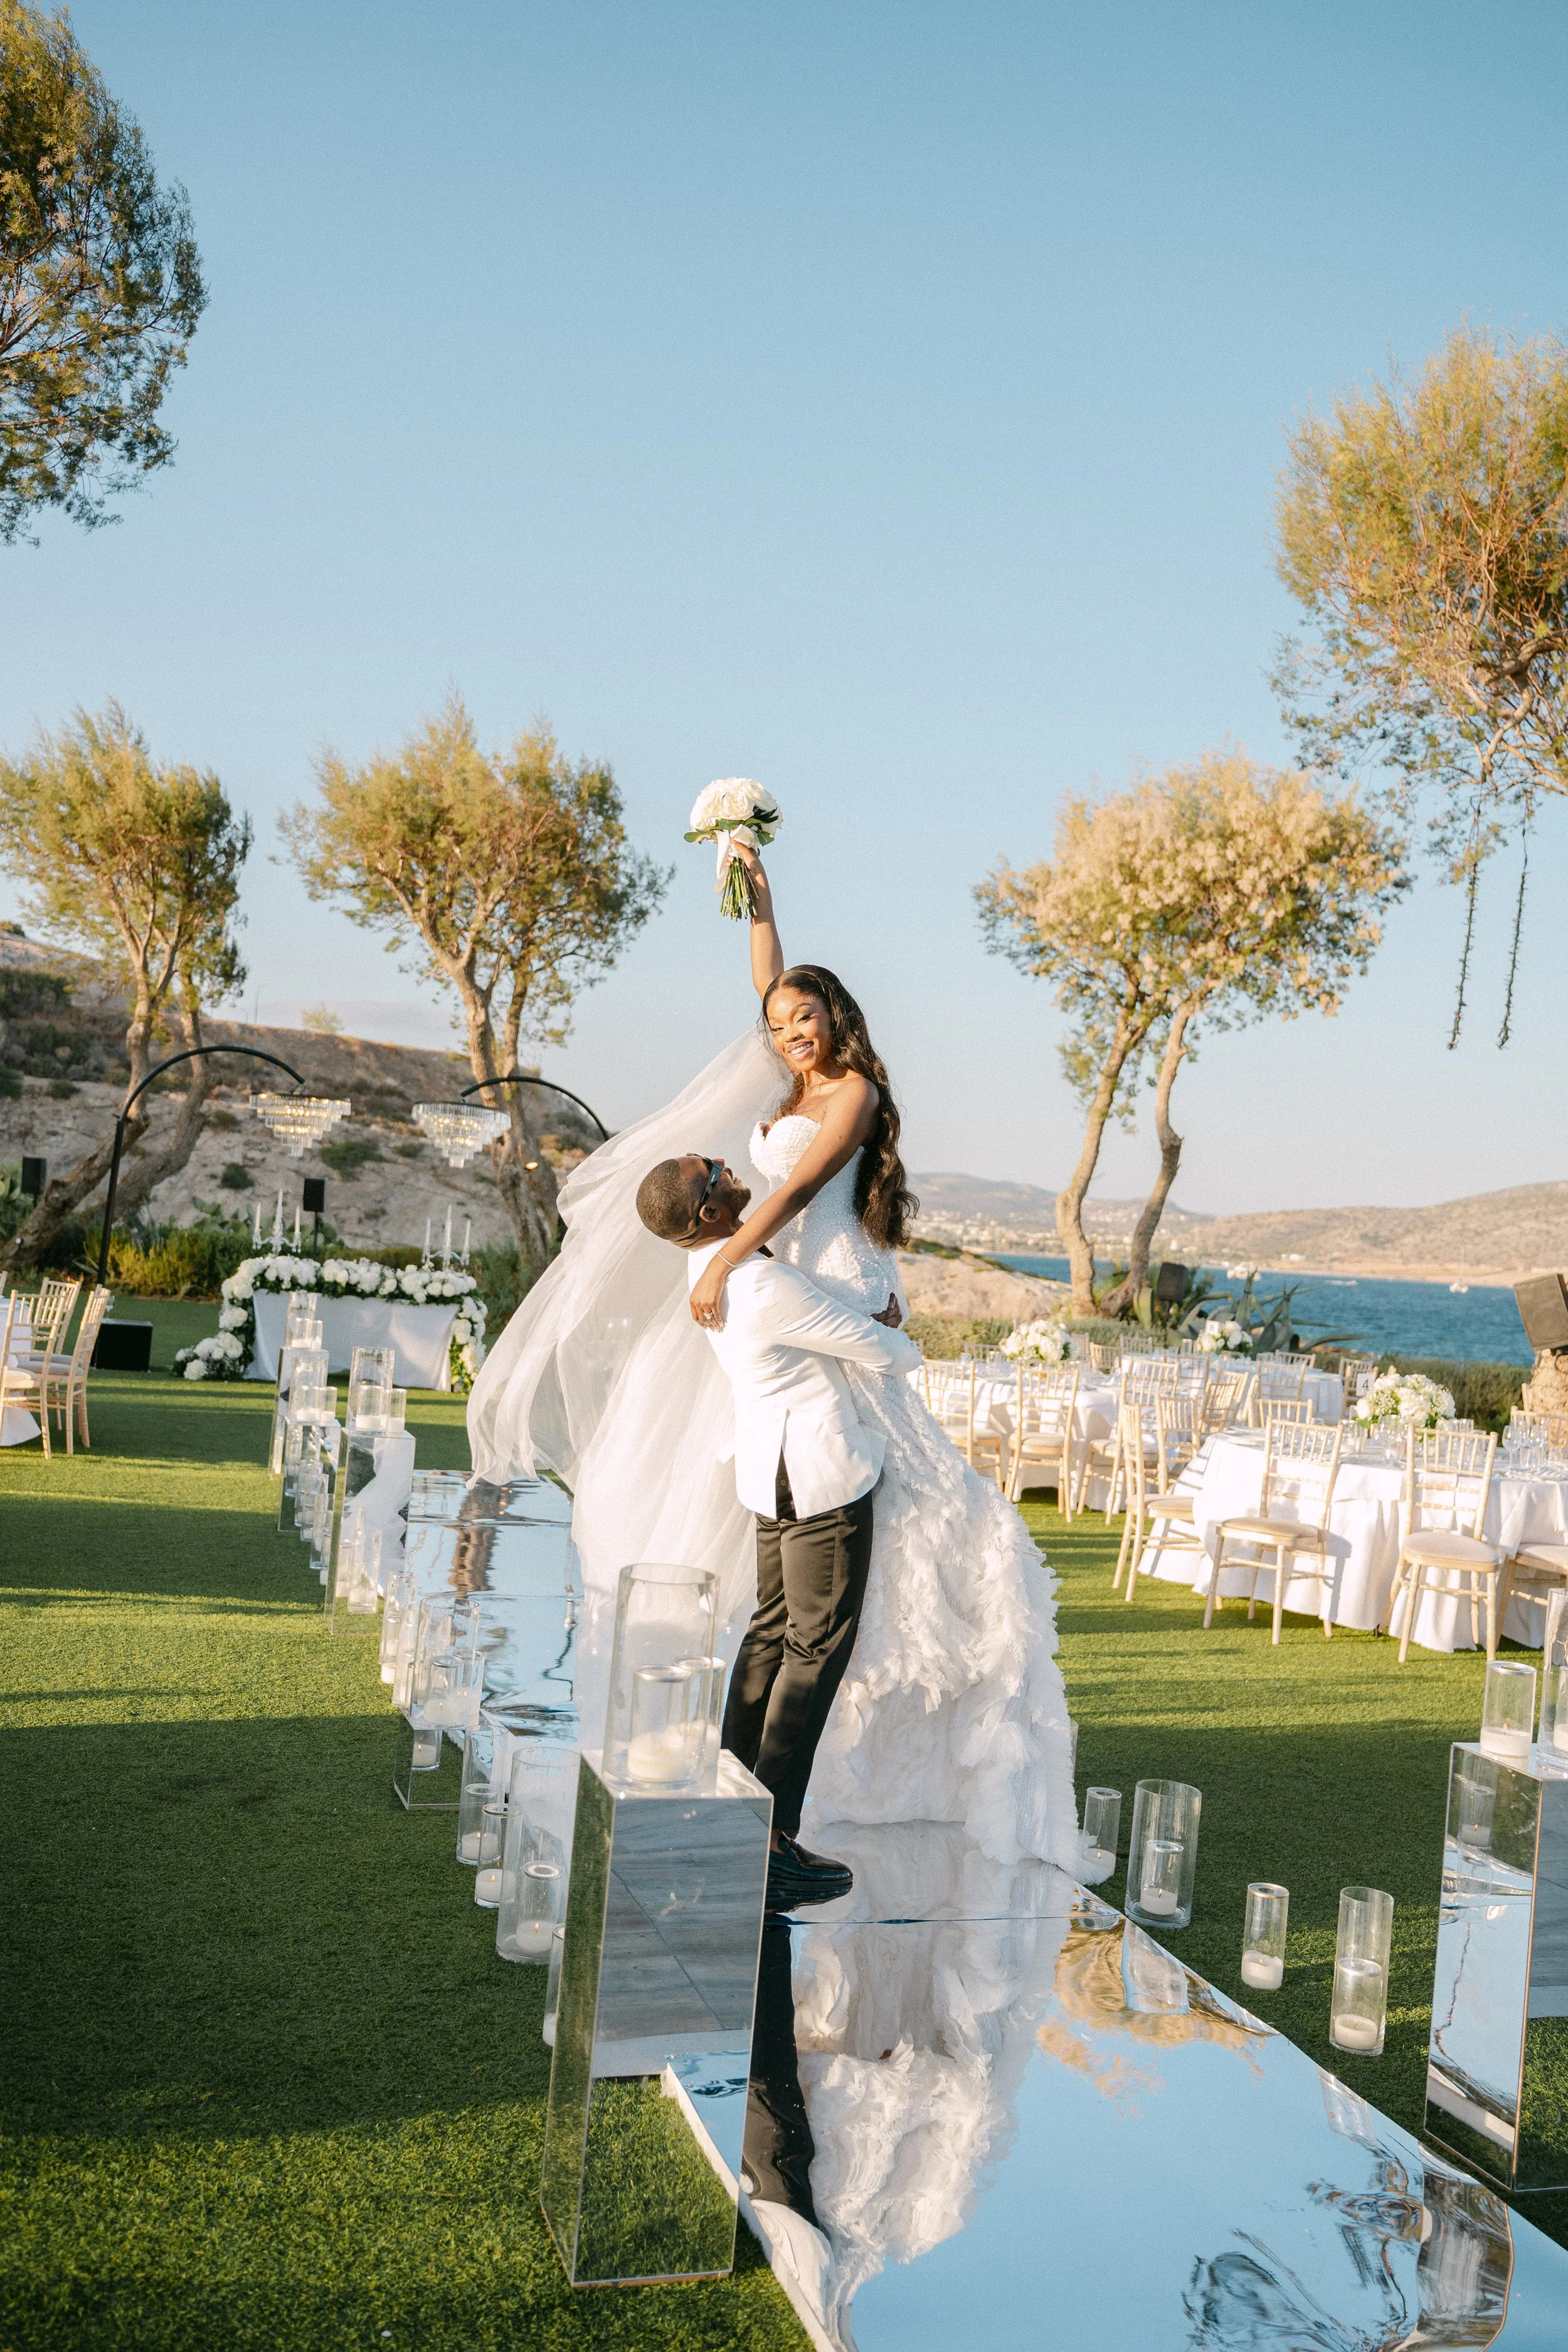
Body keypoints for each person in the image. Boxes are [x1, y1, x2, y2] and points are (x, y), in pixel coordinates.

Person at [467, 847, 1077, 1873]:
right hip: (789, 1301)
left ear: (840, 1019)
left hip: (821, 1270)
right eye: (784, 1026)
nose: (793, 1036)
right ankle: (762, 1812)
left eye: (809, 1021)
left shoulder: (853, 1099)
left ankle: (790, 1794)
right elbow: (767, 984)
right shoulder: (792, 1075)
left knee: (872, 1545)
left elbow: (792, 1196)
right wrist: (763, 902)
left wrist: (719, 1264)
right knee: (804, 1599)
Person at [635, 1149, 921, 1905]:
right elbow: (888, 1353)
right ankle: (768, 1843)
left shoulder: (712, 1270)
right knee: (814, 1649)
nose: (731, 1168)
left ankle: (728, 1804)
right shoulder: (754, 1282)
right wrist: (893, 1325)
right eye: (716, 1172)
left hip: (770, 1473)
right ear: (707, 1213)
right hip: (818, 1477)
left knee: (769, 1635)